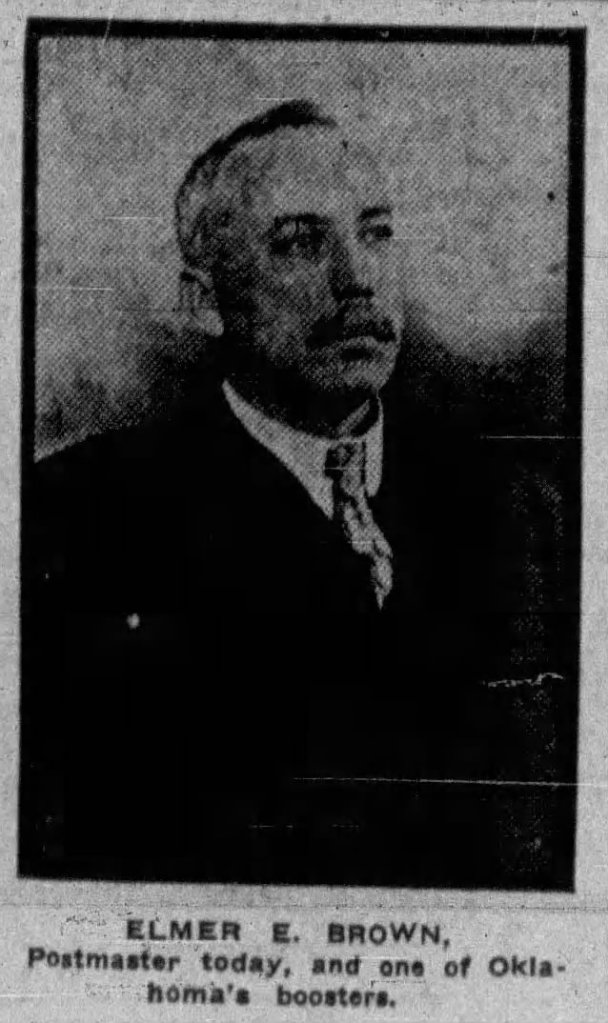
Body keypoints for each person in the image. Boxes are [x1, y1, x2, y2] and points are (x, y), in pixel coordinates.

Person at [22, 101, 575, 888]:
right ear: (202, 302)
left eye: (375, 232)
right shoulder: (77, 518)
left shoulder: (523, 511)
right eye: (300, 243)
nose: (357, 281)